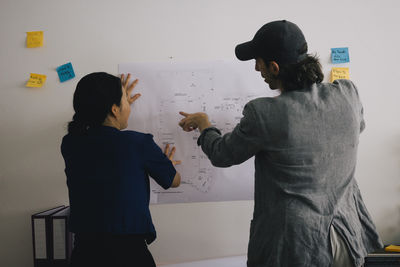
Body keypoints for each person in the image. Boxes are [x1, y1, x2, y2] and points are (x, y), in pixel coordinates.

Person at [178, 20, 382, 267]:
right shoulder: (347, 94)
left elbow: (222, 154)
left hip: (298, 248)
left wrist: (204, 125)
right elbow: (357, 128)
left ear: (274, 67)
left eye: (259, 62)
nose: (256, 68)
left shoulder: (263, 114)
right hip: (348, 240)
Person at [61, 72, 181, 267]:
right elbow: (174, 180)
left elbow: (105, 142)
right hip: (129, 255)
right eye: (125, 99)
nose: (129, 106)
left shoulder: (70, 144)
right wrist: (165, 163)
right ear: (114, 109)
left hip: (84, 254)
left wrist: (117, 107)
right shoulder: (139, 143)